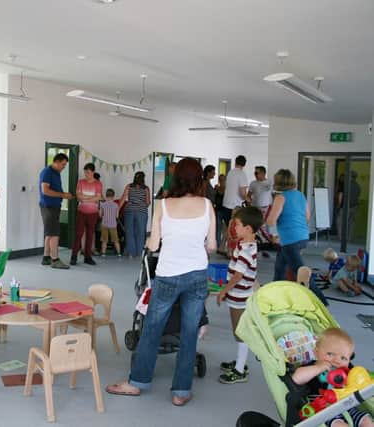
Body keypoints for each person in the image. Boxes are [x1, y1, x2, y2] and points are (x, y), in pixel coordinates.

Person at [106, 158, 216, 406]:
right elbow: (211, 246)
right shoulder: (207, 205)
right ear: (200, 178)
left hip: (167, 275)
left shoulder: (164, 206)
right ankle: (181, 392)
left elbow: (154, 244)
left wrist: (154, 244)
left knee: (152, 330)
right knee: (189, 334)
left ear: (176, 177)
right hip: (197, 275)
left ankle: (137, 383)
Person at [216, 207, 264, 384]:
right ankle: (240, 362)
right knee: (239, 331)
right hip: (240, 295)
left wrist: (223, 291)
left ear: (248, 229)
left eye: (237, 225)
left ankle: (240, 369)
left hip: (239, 298)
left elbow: (238, 276)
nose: (234, 228)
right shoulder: (247, 245)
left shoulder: (246, 251)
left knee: (240, 333)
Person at [267, 169, 328, 305]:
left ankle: (321, 302)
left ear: (278, 182)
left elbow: (271, 220)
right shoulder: (300, 195)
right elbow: (307, 216)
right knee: (280, 268)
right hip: (302, 237)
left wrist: (276, 231)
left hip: (290, 240)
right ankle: (276, 296)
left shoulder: (280, 198)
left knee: (301, 273)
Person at [290, 328, 373, 427]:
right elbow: (296, 378)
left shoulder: (348, 370)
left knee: (367, 421)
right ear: (316, 352)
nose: (337, 361)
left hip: (348, 405)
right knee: (339, 425)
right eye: (330, 354)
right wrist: (318, 368)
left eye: (343, 358)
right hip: (323, 410)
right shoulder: (311, 367)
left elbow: (359, 382)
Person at [39, 153, 74, 269]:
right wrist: (63, 195)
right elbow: (45, 191)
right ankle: (55, 259)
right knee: (54, 234)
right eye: (63, 165)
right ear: (57, 162)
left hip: (54, 206)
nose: (64, 167)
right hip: (48, 207)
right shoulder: (47, 172)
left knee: (49, 233)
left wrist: (62, 196)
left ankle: (46, 257)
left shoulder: (56, 173)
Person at [71, 163, 103, 266]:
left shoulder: (98, 184)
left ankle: (88, 257)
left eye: (88, 173)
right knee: (78, 234)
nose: (86, 175)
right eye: (85, 173)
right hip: (81, 212)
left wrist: (85, 197)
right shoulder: (80, 182)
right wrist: (90, 198)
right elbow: (78, 197)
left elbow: (98, 197)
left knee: (90, 235)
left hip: (93, 213)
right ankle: (74, 257)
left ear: (93, 172)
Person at [121, 171, 151, 258]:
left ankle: (131, 253)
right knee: (141, 232)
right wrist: (141, 205)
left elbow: (123, 198)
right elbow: (148, 202)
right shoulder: (146, 188)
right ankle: (139, 254)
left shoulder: (129, 186)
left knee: (129, 232)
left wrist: (117, 209)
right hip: (141, 212)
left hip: (129, 211)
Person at [222, 155, 249, 226]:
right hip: (234, 207)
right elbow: (242, 194)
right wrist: (249, 200)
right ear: (244, 164)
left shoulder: (230, 172)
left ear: (235, 162)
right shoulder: (242, 174)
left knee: (227, 228)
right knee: (234, 230)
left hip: (226, 205)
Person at [336, 171, 361, 242]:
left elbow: (341, 195)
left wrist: (339, 205)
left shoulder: (345, 184)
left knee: (340, 221)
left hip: (345, 207)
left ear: (350, 176)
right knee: (351, 223)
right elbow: (358, 196)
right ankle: (349, 238)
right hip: (355, 206)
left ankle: (341, 237)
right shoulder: (358, 186)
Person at [100, 188, 121, 257]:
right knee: (116, 240)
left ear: (106, 195)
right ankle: (119, 253)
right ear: (113, 196)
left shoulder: (103, 205)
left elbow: (100, 214)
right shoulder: (116, 205)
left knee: (104, 240)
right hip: (113, 225)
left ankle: (103, 253)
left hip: (104, 224)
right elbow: (117, 216)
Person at [214, 174, 226, 247]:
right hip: (218, 209)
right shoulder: (216, 188)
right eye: (220, 179)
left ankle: (222, 244)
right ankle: (218, 244)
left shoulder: (228, 189)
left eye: (223, 179)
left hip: (225, 209)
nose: (222, 181)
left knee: (225, 229)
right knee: (218, 228)